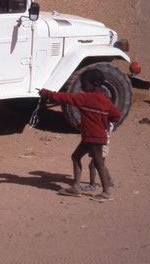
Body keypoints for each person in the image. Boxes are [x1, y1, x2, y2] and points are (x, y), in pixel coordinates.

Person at [40, 69, 121, 201]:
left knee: (98, 162)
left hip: (93, 137)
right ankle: (76, 187)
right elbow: (116, 116)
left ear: (94, 83)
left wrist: (46, 93)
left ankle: (106, 192)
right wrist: (102, 119)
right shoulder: (106, 100)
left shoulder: (85, 98)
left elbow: (65, 98)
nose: (82, 86)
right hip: (93, 136)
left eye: (84, 83)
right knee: (76, 156)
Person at [83, 122, 115, 192]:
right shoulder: (110, 124)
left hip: (101, 146)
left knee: (92, 165)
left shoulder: (106, 125)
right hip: (104, 146)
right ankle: (109, 180)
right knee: (101, 165)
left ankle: (92, 185)